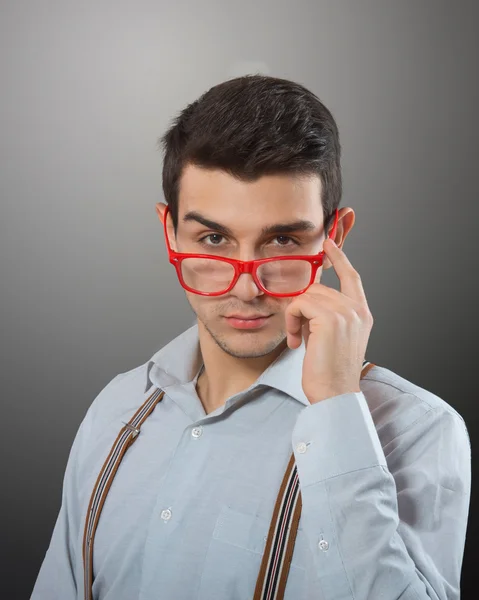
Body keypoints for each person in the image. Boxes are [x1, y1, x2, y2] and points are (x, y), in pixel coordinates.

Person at [31, 75, 471, 600]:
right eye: (213, 239)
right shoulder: (116, 409)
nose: (245, 285)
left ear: (337, 238)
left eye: (283, 240)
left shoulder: (417, 431)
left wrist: (335, 406)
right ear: (168, 232)